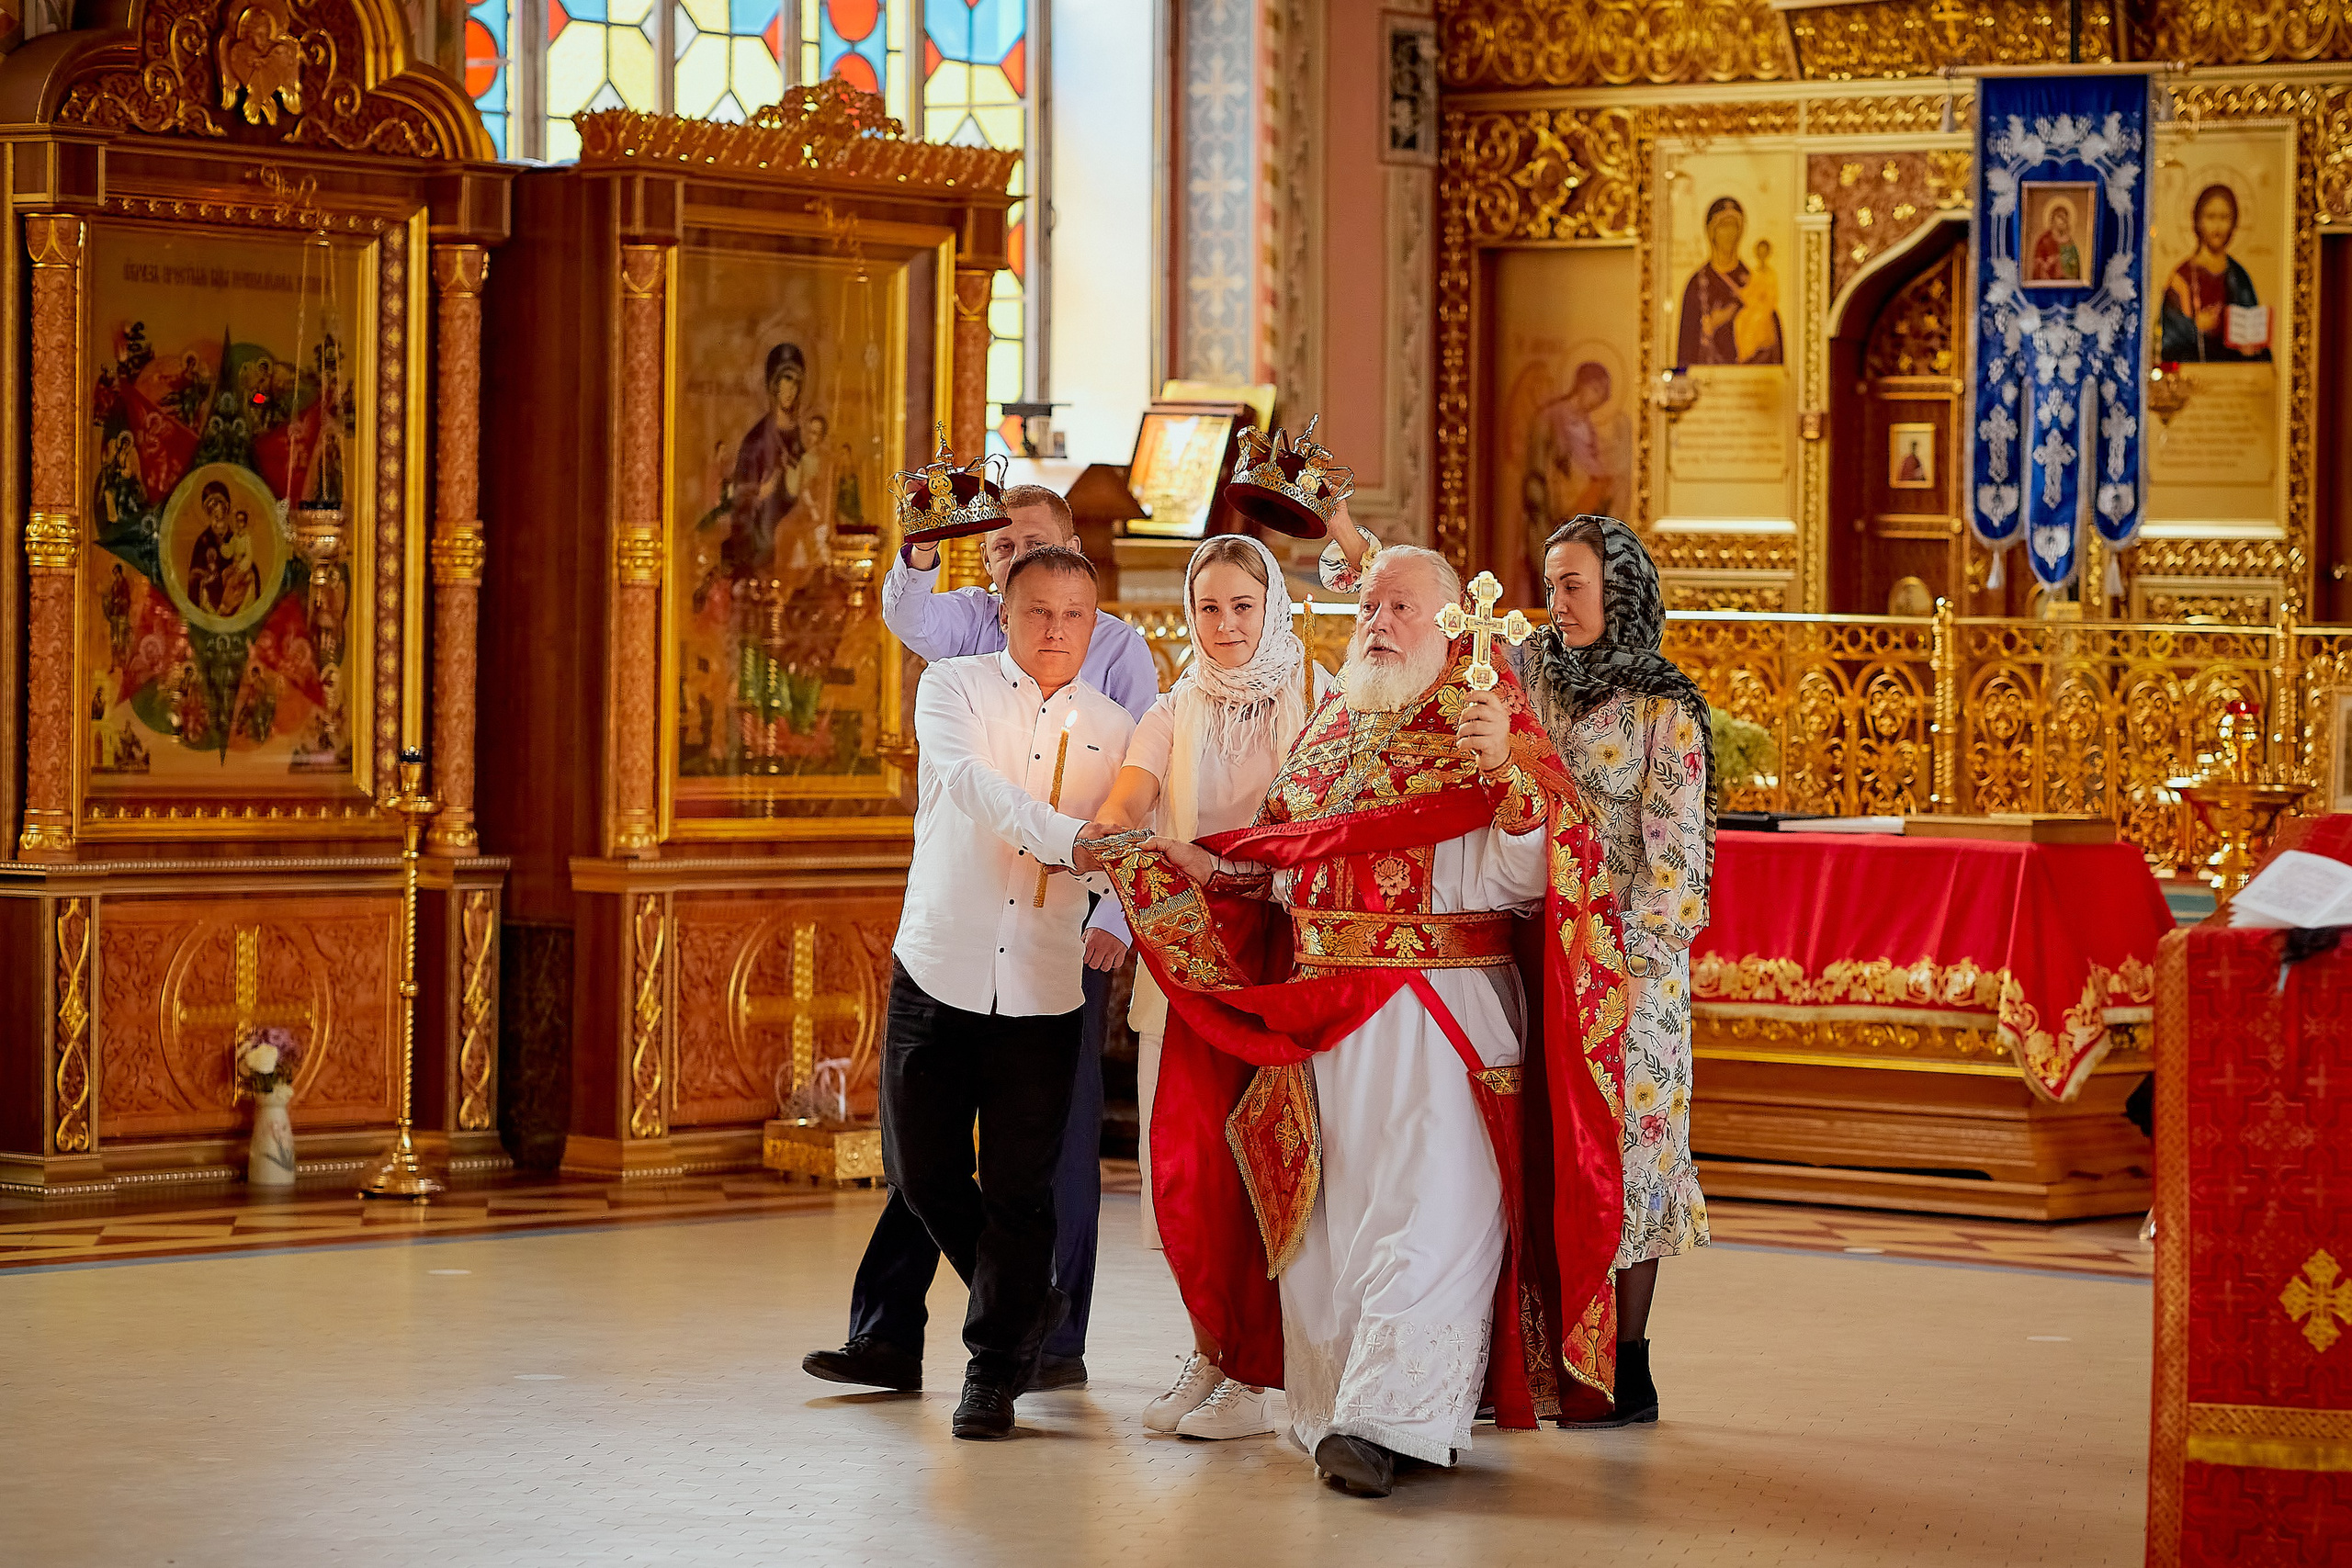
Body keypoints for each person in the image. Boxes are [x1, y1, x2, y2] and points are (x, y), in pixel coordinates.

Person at [1104, 545, 1632, 1498]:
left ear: (1451, 626)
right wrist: (1214, 870)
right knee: (1327, 1224)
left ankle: (1389, 1422)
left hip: (1441, 1019)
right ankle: (1333, 1408)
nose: (1378, 622)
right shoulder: (1331, 726)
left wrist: (1509, 782)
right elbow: (1292, 860)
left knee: (1432, 1218)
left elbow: (1532, 883)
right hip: (1320, 1021)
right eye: (1368, 608)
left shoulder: (1487, 721)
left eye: (1401, 607)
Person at [803, 485, 1155, 1395]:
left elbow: (1139, 788)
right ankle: (903, 1329)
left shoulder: (1115, 658)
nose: (1015, 566)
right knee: (922, 1155)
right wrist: (919, 545)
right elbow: (914, 626)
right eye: (1000, 551)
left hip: (1062, 937)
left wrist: (1112, 913)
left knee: (1041, 1155)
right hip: (958, 929)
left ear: (1076, 560)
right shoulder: (963, 650)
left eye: (1035, 548)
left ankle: (1046, 1342)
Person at [876, 544, 1136, 1439]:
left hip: (1041, 987)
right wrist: (1072, 840)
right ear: (1004, 611)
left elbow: (1135, 842)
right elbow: (973, 787)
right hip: (937, 965)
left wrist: (1119, 887)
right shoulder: (949, 689)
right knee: (923, 1174)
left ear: (1094, 624)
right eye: (1037, 611)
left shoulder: (1117, 729)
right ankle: (1030, 1301)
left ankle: (991, 1372)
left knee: (1021, 1190)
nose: (1055, 630)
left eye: (1073, 615)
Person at [1083, 535, 1332, 1442]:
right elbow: (1130, 793)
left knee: (1272, 1163)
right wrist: (1108, 834)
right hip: (1190, 966)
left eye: (1241, 607)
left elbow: (1323, 825)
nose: (1224, 627)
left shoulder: (1317, 698)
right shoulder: (1174, 705)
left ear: (1272, 609)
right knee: (1187, 1168)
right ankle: (1211, 1352)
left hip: (1281, 961)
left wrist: (1237, 865)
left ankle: (1271, 1375)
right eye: (1207, 609)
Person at [1515, 514, 1715, 1428]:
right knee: (1550, 1152)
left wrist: (1612, 955)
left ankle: (1624, 1362)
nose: (1555, 604)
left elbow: (1674, 869)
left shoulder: (1666, 709)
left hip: (1632, 974)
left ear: (1620, 593)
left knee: (1634, 1160)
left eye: (1573, 586)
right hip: (1542, 955)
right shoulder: (1530, 681)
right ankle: (1537, 1352)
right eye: (1550, 584)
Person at [2161, 183, 2269, 363]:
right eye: (2210, 217)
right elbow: (2170, 340)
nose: (2217, 226)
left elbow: (2250, 323)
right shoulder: (2182, 278)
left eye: (2225, 217)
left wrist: (2251, 345)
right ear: (2197, 221)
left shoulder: (2238, 276)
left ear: (2234, 223)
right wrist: (2196, 327)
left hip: (2235, 374)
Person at [1677, 197, 1781, 367]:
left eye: (1734, 226)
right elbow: (1687, 347)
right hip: (1710, 379)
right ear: (1711, 232)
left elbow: (1772, 331)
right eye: (1723, 226)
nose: (1729, 233)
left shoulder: (1753, 279)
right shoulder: (1697, 284)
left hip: (1749, 378)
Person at [2032, 200, 2082, 284]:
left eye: (2065, 218)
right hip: (2048, 283)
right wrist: (2048, 264)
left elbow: (2075, 266)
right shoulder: (2044, 240)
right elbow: (2037, 263)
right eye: (2060, 217)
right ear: (2053, 219)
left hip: (2066, 283)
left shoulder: (2069, 241)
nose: (2063, 221)